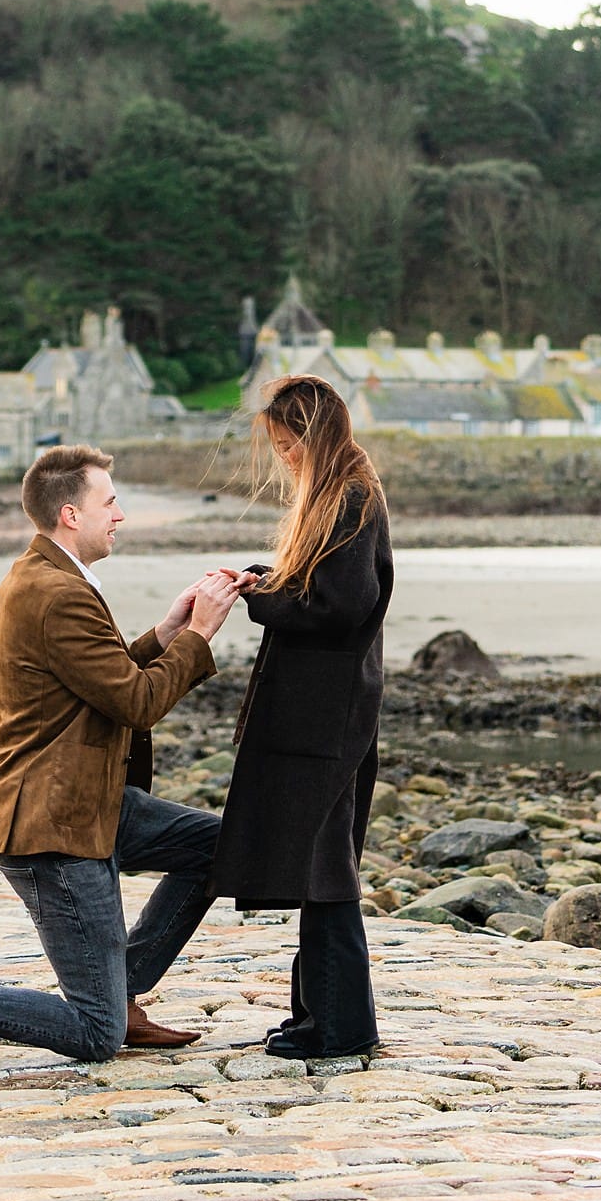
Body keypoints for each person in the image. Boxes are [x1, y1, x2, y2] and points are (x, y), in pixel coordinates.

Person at [0, 444, 244, 1071]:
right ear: (69, 514)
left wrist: (168, 631)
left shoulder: (51, 579)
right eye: (108, 502)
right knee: (93, 1034)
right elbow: (136, 703)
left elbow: (103, 680)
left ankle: (123, 990)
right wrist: (200, 637)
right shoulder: (56, 592)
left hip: (90, 803)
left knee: (226, 848)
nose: (120, 514)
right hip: (51, 824)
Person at [210, 373, 394, 1058]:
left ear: (312, 437)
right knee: (323, 863)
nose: (284, 457)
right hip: (327, 702)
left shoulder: (348, 496)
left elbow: (342, 607)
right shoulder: (343, 492)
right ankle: (320, 1016)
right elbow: (325, 588)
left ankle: (340, 1027)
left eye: (289, 445)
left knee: (326, 865)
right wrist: (271, 578)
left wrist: (262, 601)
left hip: (329, 707)